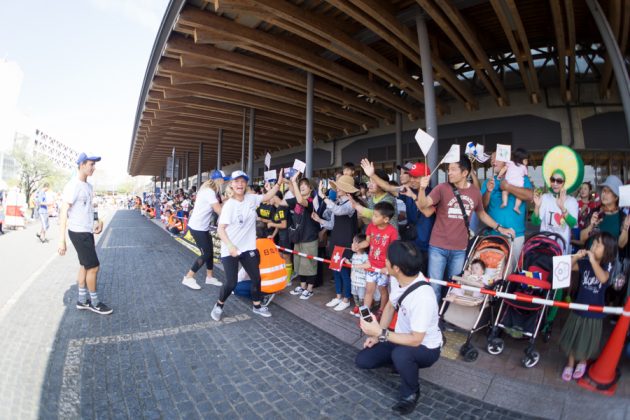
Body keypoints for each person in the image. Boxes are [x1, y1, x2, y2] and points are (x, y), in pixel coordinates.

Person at [355, 241, 442, 415]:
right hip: (400, 338)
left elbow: (416, 339)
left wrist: (381, 333)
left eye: (387, 259)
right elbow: (389, 306)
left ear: (396, 267)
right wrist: (377, 336)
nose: (384, 261)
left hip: (426, 347)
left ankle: (411, 393)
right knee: (363, 361)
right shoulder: (398, 279)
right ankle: (401, 363)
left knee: (401, 354)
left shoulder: (423, 297)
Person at [416, 155, 514, 302]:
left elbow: (481, 213)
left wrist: (500, 228)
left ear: (465, 173)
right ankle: (434, 319)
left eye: (453, 169)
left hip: (459, 249)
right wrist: (422, 189)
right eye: (448, 169)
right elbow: (424, 205)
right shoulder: (441, 188)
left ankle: (448, 316)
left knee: (456, 287)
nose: (449, 173)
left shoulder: (474, 192)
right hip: (437, 247)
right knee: (435, 286)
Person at [211, 170, 281, 321]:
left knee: (256, 278)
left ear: (246, 184)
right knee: (231, 283)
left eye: (243, 181)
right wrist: (230, 246)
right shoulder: (229, 205)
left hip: (249, 248)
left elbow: (268, 196)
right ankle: (219, 305)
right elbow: (220, 229)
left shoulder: (251, 199)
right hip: (230, 249)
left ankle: (257, 306)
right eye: (236, 181)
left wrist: (279, 183)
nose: (240, 184)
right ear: (231, 185)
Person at [58, 153, 112, 315]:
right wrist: (62, 241)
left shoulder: (88, 186)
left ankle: (82, 300)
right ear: (81, 165)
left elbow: (91, 208)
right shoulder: (72, 185)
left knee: (85, 265)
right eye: (91, 164)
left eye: (94, 164)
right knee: (94, 267)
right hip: (78, 232)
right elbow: (63, 211)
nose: (94, 168)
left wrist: (98, 221)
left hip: (87, 230)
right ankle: (94, 302)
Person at [360, 159, 435, 274]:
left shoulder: (433, 193)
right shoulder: (407, 190)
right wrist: (372, 175)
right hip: (410, 241)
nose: (412, 180)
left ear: (426, 178)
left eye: (416, 177)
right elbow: (387, 187)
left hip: (427, 244)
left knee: (423, 276)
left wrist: (414, 195)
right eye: (411, 176)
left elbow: (427, 212)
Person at [559, 232, 616, 381]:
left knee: (587, 340)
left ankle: (583, 362)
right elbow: (566, 268)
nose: (594, 246)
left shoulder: (607, 265)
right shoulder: (584, 262)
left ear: (607, 250)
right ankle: (570, 364)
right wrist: (576, 257)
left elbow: (603, 278)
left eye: (598, 245)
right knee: (573, 337)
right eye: (594, 243)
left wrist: (593, 261)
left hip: (595, 312)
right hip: (578, 308)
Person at [312, 175, 358, 312]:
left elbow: (338, 211)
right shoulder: (337, 203)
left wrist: (324, 197)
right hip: (336, 242)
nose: (337, 189)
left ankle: (346, 298)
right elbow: (332, 224)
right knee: (335, 271)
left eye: (340, 187)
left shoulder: (350, 203)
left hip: (346, 243)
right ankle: (338, 296)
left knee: (344, 271)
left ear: (346, 189)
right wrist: (319, 220)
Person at [481, 152, 533, 267]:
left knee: (511, 273)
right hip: (494, 234)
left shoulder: (521, 178)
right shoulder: (488, 182)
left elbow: (530, 195)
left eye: (497, 159)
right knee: (492, 270)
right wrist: (489, 191)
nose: (493, 161)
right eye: (492, 159)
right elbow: (482, 206)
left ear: (506, 161)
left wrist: (508, 187)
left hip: (516, 236)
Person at [354, 201, 398, 316]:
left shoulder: (392, 231)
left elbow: (393, 251)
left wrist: (388, 267)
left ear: (386, 219)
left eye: (376, 216)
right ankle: (365, 313)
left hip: (383, 267)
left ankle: (381, 310)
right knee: (369, 290)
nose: (372, 218)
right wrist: (359, 245)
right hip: (371, 265)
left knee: (383, 290)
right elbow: (367, 242)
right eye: (373, 214)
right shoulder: (371, 227)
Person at [284, 173, 321, 300]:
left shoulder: (311, 202)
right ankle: (302, 286)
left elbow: (300, 199)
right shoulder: (298, 200)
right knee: (299, 264)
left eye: (306, 185)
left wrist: (294, 181)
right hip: (298, 237)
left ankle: (309, 289)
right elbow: (293, 196)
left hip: (309, 238)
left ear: (311, 189)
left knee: (309, 265)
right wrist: (285, 183)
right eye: (301, 185)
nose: (303, 186)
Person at [181, 179, 223, 290]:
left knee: (210, 252)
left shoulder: (206, 191)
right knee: (206, 253)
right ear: (218, 181)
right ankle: (188, 277)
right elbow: (219, 210)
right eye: (223, 181)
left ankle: (209, 277)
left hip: (201, 227)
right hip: (198, 227)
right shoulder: (209, 192)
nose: (224, 183)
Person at [532, 169, 579, 255]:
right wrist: (537, 207)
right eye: (553, 180)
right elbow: (535, 222)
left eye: (559, 181)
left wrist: (562, 208)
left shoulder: (572, 201)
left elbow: (573, 224)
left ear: (564, 183)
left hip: (561, 250)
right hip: (544, 248)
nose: (555, 183)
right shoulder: (545, 197)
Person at [265, 191, 293, 285]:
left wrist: (271, 224)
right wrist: (273, 235)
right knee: (281, 256)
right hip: (282, 236)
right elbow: (279, 224)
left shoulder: (282, 208)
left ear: (276, 197)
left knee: (286, 256)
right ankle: (285, 275)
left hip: (287, 235)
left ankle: (288, 279)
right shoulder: (277, 208)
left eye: (271, 197)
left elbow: (284, 225)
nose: (269, 199)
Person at [498, 148, 529, 214]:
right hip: (518, 185)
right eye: (526, 159)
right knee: (519, 196)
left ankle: (504, 202)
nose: (527, 161)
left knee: (504, 192)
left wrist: (499, 175)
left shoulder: (510, 163)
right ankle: (516, 207)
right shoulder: (523, 167)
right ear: (523, 159)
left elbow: (504, 168)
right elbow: (526, 174)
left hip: (509, 183)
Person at [350, 233, 369, 317]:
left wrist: (356, 266)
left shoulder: (365, 256)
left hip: (361, 281)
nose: (352, 244)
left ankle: (361, 309)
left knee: (362, 296)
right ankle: (357, 306)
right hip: (354, 279)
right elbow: (351, 263)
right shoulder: (353, 255)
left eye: (353, 242)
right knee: (355, 294)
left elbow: (368, 265)